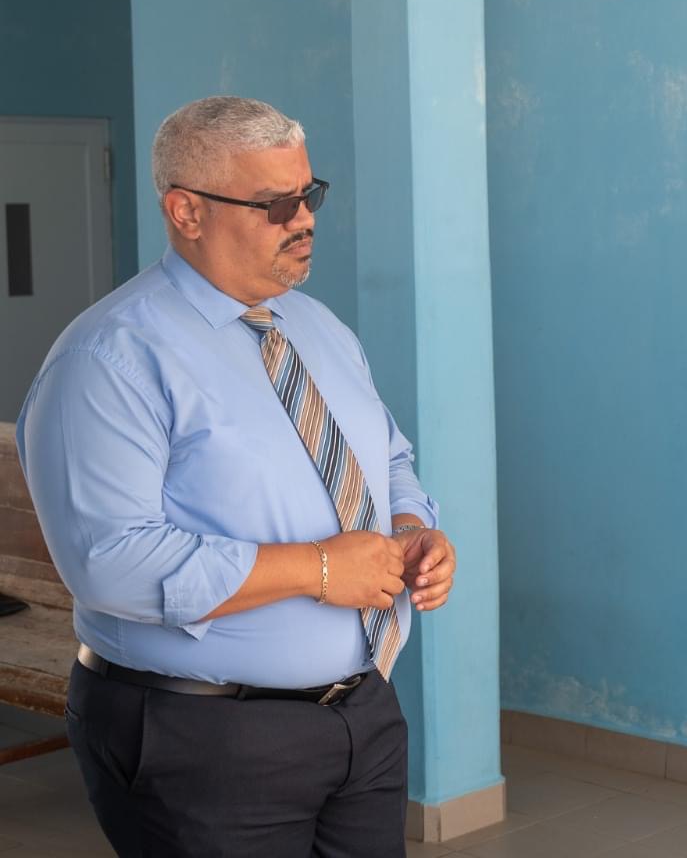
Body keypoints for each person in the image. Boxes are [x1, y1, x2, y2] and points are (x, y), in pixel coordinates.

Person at [16, 96, 457, 857]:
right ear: (186, 212)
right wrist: (320, 569)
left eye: (309, 195)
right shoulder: (109, 360)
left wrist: (412, 531)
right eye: (276, 203)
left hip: (362, 714)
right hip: (203, 737)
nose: (305, 219)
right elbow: (109, 565)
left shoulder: (318, 328)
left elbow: (387, 460)